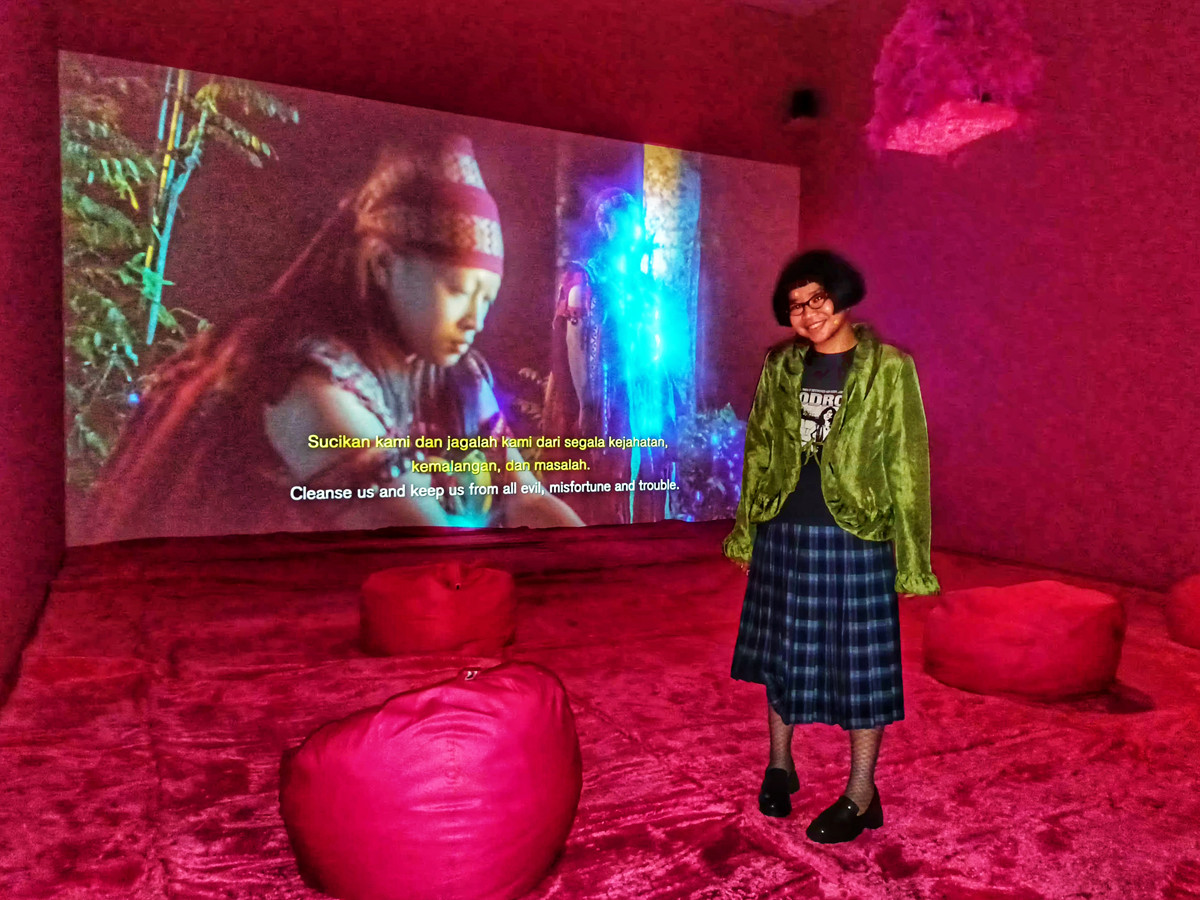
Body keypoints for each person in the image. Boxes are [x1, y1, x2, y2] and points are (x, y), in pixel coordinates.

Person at [89, 135, 583, 542]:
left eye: (488, 299)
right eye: (458, 290)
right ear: (384, 264)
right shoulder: (308, 387)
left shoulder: (458, 377)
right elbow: (426, 546)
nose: (476, 318)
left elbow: (526, 496)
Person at [723, 249, 940, 844]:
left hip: (857, 537)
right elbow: (760, 452)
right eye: (795, 305)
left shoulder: (889, 368)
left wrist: (914, 559)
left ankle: (862, 794)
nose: (808, 313)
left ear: (842, 297)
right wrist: (747, 531)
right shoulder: (780, 366)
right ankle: (779, 766)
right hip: (784, 532)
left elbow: (907, 462)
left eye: (817, 298)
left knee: (862, 669)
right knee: (780, 657)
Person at [542, 187, 676, 524]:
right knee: (607, 472)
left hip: (644, 395)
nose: (633, 226)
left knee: (646, 470)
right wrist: (587, 400)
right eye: (623, 218)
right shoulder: (586, 278)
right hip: (607, 396)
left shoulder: (643, 285)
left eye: (635, 218)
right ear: (605, 225)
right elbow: (575, 340)